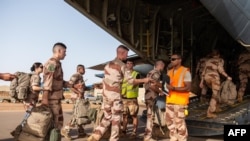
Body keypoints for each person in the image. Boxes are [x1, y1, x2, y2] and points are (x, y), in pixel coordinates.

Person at [87, 45, 150, 141]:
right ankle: (114, 139)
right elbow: (131, 81)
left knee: (107, 117)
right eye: (126, 54)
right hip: (115, 97)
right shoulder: (122, 66)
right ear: (123, 53)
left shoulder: (107, 65)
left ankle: (95, 136)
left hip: (106, 96)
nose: (126, 56)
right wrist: (145, 80)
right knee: (116, 120)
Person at [41, 42, 81, 140]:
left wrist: (72, 85)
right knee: (54, 126)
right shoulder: (52, 63)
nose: (65, 54)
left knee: (57, 124)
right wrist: (45, 99)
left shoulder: (57, 63)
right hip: (51, 100)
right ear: (59, 51)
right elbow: (47, 81)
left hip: (56, 99)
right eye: (64, 51)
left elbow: (58, 81)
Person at [165, 53, 191, 141]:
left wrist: (173, 88)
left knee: (180, 124)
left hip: (180, 102)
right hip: (170, 100)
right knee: (170, 123)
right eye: (171, 59)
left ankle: (182, 139)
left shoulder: (186, 71)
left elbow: (188, 87)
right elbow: (166, 86)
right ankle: (173, 138)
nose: (171, 61)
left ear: (180, 60)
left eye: (173, 59)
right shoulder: (169, 72)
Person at [199, 49, 232, 118]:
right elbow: (221, 70)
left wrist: (202, 82)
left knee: (217, 92)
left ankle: (217, 107)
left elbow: (204, 71)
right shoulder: (220, 60)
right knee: (215, 94)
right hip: (214, 78)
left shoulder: (208, 61)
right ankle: (210, 112)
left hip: (206, 78)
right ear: (218, 55)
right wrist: (227, 76)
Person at [61, 64, 87, 140]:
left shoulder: (80, 77)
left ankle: (81, 133)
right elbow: (69, 85)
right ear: (79, 69)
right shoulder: (76, 75)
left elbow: (82, 88)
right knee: (76, 115)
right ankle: (65, 130)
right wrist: (78, 93)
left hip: (80, 97)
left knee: (80, 115)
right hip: (77, 98)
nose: (84, 71)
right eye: (83, 69)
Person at [143, 59, 165, 141]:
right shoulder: (156, 73)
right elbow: (152, 86)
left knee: (150, 116)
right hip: (152, 97)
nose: (163, 68)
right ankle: (148, 137)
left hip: (148, 96)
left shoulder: (150, 72)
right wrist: (160, 91)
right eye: (163, 66)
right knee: (150, 117)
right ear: (161, 65)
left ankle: (148, 136)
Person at [120, 59, 140, 139]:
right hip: (124, 98)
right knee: (124, 115)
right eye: (127, 63)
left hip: (132, 98)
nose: (128, 65)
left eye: (130, 63)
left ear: (133, 65)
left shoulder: (136, 74)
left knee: (134, 116)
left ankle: (134, 132)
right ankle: (124, 131)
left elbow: (136, 83)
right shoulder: (123, 75)